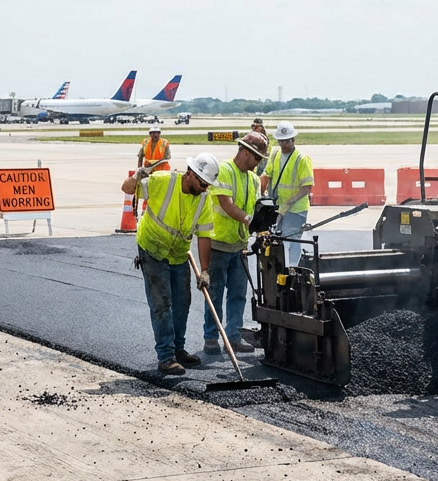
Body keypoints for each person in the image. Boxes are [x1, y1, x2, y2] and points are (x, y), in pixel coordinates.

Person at [121, 152, 220, 375]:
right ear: (190, 174)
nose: (204, 189)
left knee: (182, 302)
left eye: (207, 185)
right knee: (162, 303)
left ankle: (178, 349)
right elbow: (127, 188)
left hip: (178, 254)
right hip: (152, 249)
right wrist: (137, 176)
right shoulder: (163, 181)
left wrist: (205, 271)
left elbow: (205, 235)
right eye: (203, 184)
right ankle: (165, 357)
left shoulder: (204, 198)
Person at [202, 132, 269, 355]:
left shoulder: (254, 179)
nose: (258, 163)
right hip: (218, 243)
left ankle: (233, 336)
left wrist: (262, 226)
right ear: (245, 152)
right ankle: (211, 337)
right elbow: (226, 203)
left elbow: (256, 208)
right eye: (257, 157)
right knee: (215, 294)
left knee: (238, 294)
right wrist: (249, 220)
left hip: (240, 246)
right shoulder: (225, 170)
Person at [259, 121, 313, 266]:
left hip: (296, 210)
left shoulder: (302, 159)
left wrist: (289, 202)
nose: (284, 144)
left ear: (293, 140)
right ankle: (279, 269)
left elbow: (307, 187)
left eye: (287, 141)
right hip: (278, 207)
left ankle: (293, 268)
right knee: (276, 240)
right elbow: (266, 174)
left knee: (292, 239)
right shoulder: (275, 154)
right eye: (281, 141)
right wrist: (261, 194)